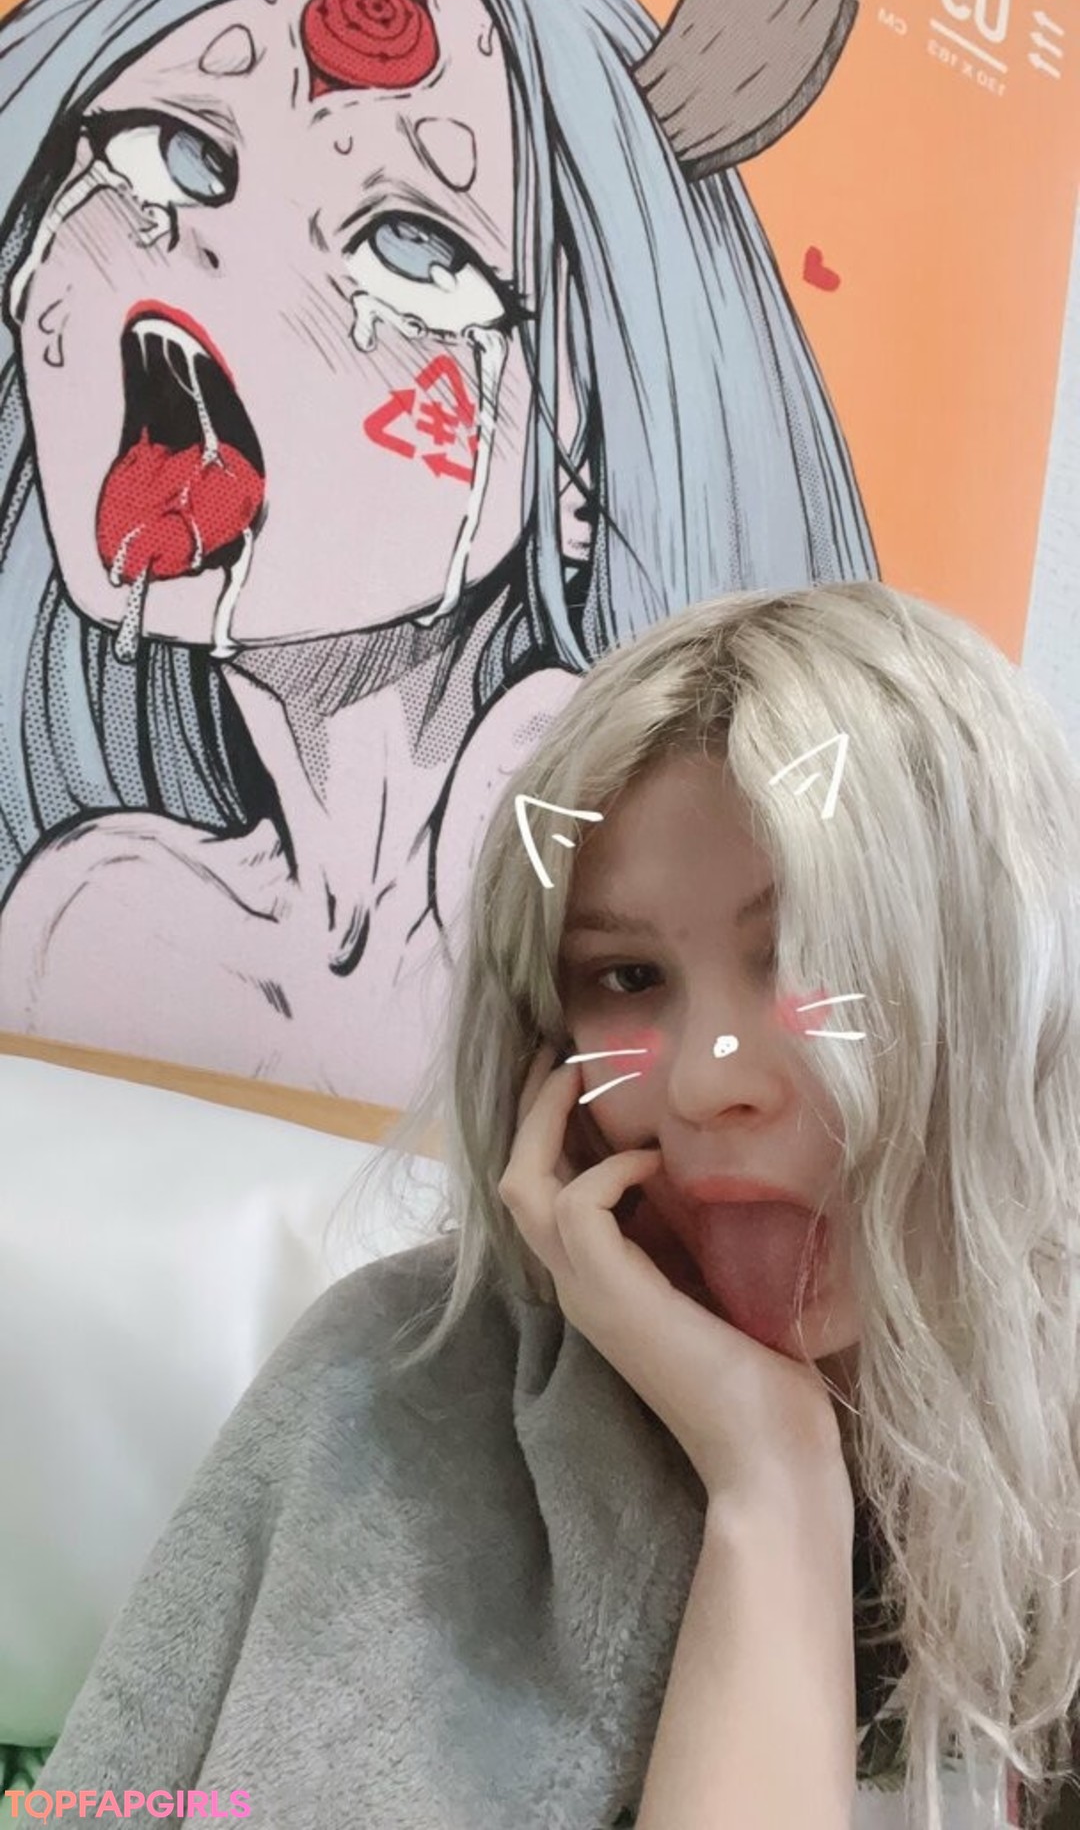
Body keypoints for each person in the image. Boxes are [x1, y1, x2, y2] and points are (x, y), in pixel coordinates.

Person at [35, 581, 1080, 1828]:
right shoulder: (405, 1387)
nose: (705, 1080)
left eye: (817, 955)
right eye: (627, 975)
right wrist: (775, 1477)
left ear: (1010, 994)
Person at [0, 0, 874, 1102]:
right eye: (169, 154)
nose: (216, 266)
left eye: (413, 250)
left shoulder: (583, 827)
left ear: (576, 460)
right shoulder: (97, 910)